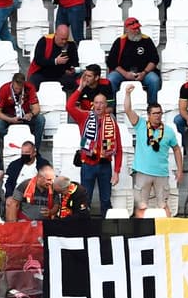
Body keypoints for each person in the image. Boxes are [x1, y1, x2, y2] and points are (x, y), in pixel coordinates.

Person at [125, 85, 181, 215]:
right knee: (142, 205)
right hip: (143, 172)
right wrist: (127, 94)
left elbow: (177, 150)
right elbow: (128, 110)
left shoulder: (168, 131)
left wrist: (179, 170)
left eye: (159, 113)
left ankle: (168, 232)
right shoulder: (141, 125)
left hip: (161, 173)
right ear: (149, 115)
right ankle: (139, 234)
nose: (157, 116)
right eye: (154, 113)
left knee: (163, 205)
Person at [66, 90, 123, 213]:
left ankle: (107, 230)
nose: (99, 106)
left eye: (102, 103)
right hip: (88, 164)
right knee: (85, 201)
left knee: (106, 200)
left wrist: (117, 171)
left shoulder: (112, 123)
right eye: (96, 103)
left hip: (105, 165)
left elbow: (118, 149)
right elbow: (69, 107)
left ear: (106, 105)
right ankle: (86, 229)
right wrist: (80, 89)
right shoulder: (85, 117)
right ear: (93, 104)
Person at [107, 18, 161, 104]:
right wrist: (125, 74)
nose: (137, 30)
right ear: (127, 30)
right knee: (111, 79)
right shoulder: (120, 41)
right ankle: (112, 107)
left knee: (154, 80)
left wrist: (144, 73)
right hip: (123, 73)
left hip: (143, 72)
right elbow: (111, 61)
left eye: (138, 28)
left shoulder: (146, 40)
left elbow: (154, 59)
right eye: (134, 29)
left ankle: (152, 106)